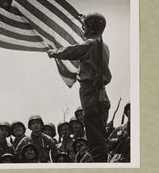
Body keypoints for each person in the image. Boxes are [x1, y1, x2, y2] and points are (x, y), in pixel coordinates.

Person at [48, 13, 112, 162]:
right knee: (99, 133)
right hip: (100, 93)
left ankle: (99, 167)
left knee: (94, 135)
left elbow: (72, 50)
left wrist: (54, 52)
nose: (82, 28)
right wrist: (86, 19)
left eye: (85, 25)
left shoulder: (91, 45)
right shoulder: (103, 45)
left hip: (91, 93)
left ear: (91, 28)